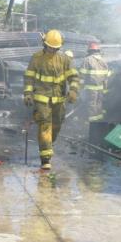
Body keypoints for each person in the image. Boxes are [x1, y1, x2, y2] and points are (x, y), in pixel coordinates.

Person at [23, 30, 79, 171]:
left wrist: (73, 90)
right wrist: (28, 93)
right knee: (45, 126)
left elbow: (74, 77)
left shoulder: (65, 59)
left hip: (59, 100)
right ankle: (45, 159)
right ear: (44, 44)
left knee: (57, 125)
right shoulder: (36, 58)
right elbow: (29, 77)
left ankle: (48, 144)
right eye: (50, 47)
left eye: (55, 48)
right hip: (42, 99)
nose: (52, 50)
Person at [79, 42, 112, 123]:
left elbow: (82, 74)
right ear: (98, 50)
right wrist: (105, 87)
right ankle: (99, 118)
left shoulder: (87, 60)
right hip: (101, 87)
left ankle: (93, 122)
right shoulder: (103, 60)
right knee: (99, 103)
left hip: (91, 87)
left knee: (91, 104)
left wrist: (80, 86)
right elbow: (106, 75)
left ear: (89, 51)